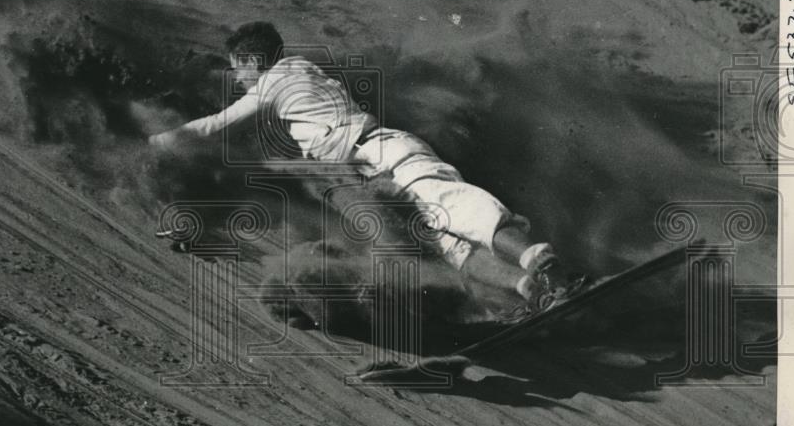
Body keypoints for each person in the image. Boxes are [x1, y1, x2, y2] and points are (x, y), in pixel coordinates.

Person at [149, 21, 585, 315]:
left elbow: (216, 125)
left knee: (458, 208)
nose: (237, 79)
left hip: (380, 151)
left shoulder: (278, 77)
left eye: (236, 69)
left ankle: (552, 273)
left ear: (252, 61)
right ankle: (529, 289)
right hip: (367, 172)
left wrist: (156, 140)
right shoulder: (296, 79)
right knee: (450, 247)